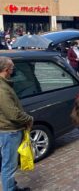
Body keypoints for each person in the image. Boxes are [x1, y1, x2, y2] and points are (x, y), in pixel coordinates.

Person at [0, 56, 33, 191]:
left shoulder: (4, 84)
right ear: (6, 69)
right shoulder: (2, 88)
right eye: (12, 68)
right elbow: (12, 114)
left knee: (9, 164)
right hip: (9, 131)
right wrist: (29, 119)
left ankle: (12, 187)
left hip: (9, 130)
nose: (13, 70)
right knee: (9, 166)